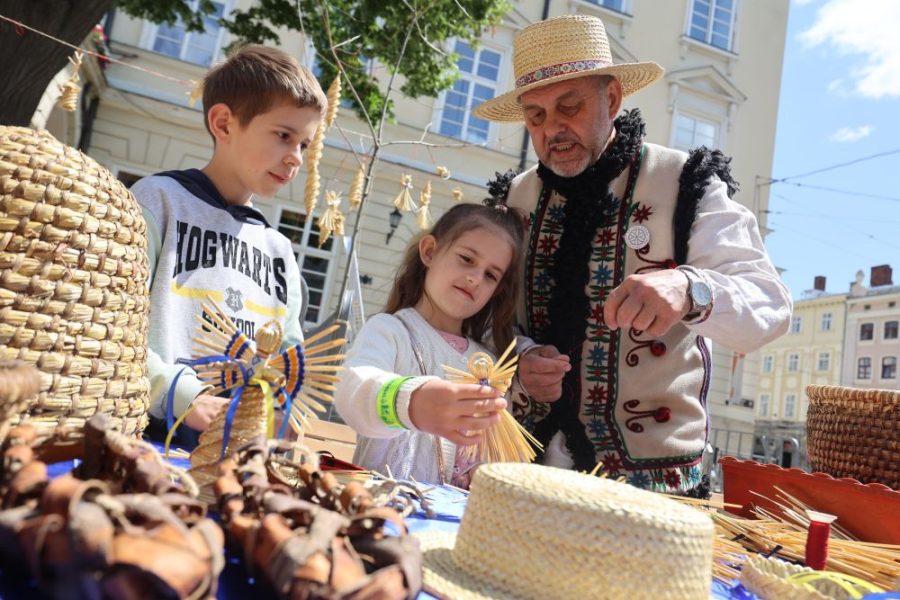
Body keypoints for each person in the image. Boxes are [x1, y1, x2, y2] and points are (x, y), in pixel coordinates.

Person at [473, 15, 792, 494]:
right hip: (520, 468)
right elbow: (478, 319)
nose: (553, 128)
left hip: (650, 488)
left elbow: (770, 305)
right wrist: (520, 358)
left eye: (569, 106)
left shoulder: (685, 183)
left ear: (613, 99)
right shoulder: (513, 199)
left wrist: (690, 288)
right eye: (535, 116)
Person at [132, 45, 326, 447]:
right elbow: (114, 327)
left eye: (304, 145)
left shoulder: (279, 252)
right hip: (147, 441)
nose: (296, 159)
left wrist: (282, 410)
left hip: (236, 454)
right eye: (284, 136)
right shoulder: (157, 202)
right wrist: (184, 395)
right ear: (223, 123)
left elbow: (288, 361)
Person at [334, 203, 526, 487]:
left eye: (491, 275)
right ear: (430, 252)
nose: (475, 278)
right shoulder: (390, 331)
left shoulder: (490, 366)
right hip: (378, 508)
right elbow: (351, 388)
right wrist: (410, 402)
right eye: (467, 259)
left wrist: (483, 473)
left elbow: (496, 454)